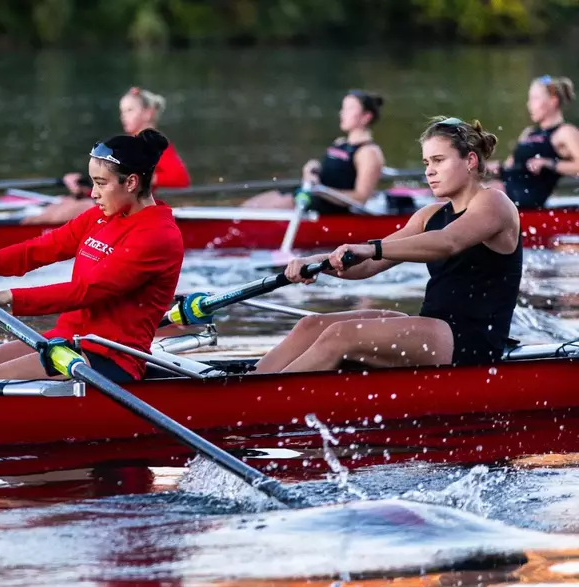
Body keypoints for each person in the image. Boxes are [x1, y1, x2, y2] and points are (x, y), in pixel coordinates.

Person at [252, 117, 521, 374]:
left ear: (470, 160)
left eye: (439, 160)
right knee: (311, 325)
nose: (429, 170)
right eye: (427, 161)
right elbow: (367, 264)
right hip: (432, 328)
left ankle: (260, 404)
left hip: (471, 340)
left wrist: (372, 248)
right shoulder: (429, 215)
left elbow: (448, 242)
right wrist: (314, 263)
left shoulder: (494, 203)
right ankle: (248, 385)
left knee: (341, 335)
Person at [0, 129, 184, 382]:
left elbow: (87, 290)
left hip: (110, 358)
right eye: (93, 182)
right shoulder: (100, 216)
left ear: (130, 182)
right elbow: (39, 249)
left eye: (101, 183)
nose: (93, 193)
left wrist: (7, 296)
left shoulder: (157, 236)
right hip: (65, 340)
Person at [23, 87, 190, 225]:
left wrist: (143, 175)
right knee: (59, 207)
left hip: (128, 207)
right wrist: (86, 186)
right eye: (122, 111)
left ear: (149, 113)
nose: (123, 116)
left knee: (40, 220)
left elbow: (181, 179)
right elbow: (115, 180)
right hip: (115, 201)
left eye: (130, 110)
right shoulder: (129, 142)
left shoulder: (153, 143)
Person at [242, 90, 386, 213]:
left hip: (328, 208)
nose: (342, 113)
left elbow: (361, 198)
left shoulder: (369, 153)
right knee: (248, 207)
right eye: (343, 108)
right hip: (309, 195)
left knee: (256, 210)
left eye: (350, 109)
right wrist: (312, 167)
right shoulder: (340, 143)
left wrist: (320, 190)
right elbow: (329, 172)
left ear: (366, 117)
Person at [486, 75, 579, 209]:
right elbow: (510, 165)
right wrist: (493, 167)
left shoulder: (565, 132)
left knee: (487, 192)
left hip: (527, 197)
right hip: (506, 186)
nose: (529, 105)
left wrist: (548, 163)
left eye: (535, 99)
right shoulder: (528, 132)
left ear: (553, 101)